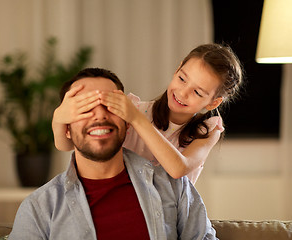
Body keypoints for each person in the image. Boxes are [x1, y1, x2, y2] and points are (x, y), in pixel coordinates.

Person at [8, 68, 217, 240]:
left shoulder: (175, 188)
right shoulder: (39, 208)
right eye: (84, 108)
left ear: (127, 123)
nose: (99, 114)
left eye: (110, 105)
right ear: (67, 128)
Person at [52, 43, 244, 184]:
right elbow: (67, 145)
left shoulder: (208, 131)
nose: (183, 92)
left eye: (197, 92)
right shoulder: (137, 109)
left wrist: (136, 120)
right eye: (182, 78)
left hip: (172, 214)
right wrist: (59, 117)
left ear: (213, 102)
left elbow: (178, 168)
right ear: (177, 69)